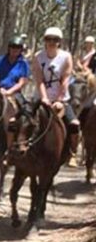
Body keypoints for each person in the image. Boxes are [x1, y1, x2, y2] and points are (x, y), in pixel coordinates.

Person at [32, 26, 79, 167]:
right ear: (44, 41)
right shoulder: (38, 57)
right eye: (48, 39)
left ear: (59, 41)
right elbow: (39, 80)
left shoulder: (66, 57)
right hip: (41, 98)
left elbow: (65, 80)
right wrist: (44, 98)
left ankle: (72, 152)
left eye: (55, 40)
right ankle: (15, 151)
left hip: (61, 99)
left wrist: (58, 100)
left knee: (74, 124)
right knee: (22, 121)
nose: (52, 42)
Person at [0, 36, 31, 152]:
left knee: (24, 113)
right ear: (9, 48)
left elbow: (22, 82)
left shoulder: (23, 64)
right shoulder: (0, 60)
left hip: (14, 92)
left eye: (17, 48)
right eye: (13, 47)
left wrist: (9, 92)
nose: (15, 50)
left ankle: (15, 143)